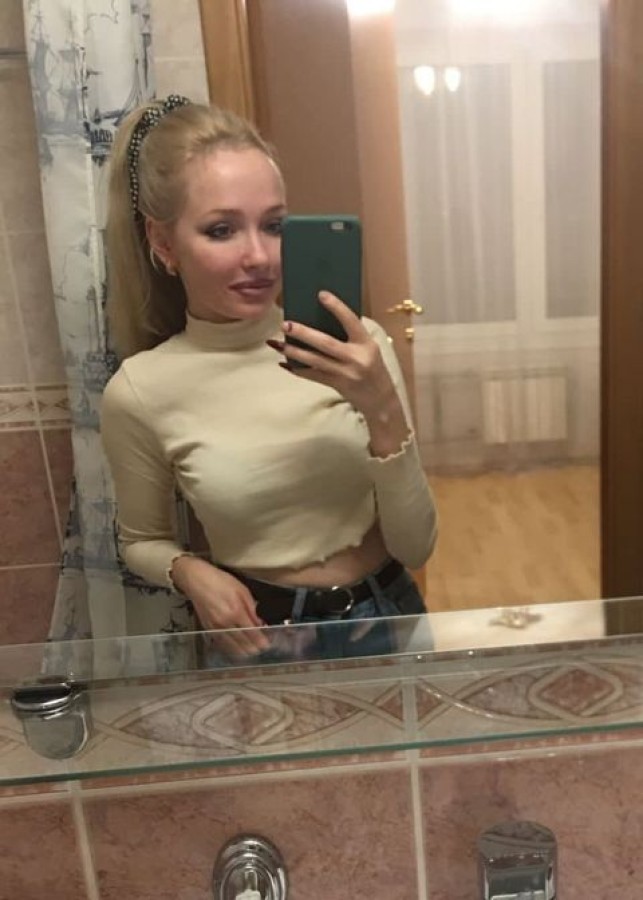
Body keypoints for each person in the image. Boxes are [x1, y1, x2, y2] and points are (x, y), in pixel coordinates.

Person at [100, 95, 437, 658]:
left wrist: (380, 404)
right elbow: (141, 540)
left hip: (387, 616)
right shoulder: (140, 390)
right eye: (222, 230)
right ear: (163, 243)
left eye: (275, 226)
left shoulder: (359, 349)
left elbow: (417, 546)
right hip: (259, 632)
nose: (260, 256)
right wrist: (190, 572)